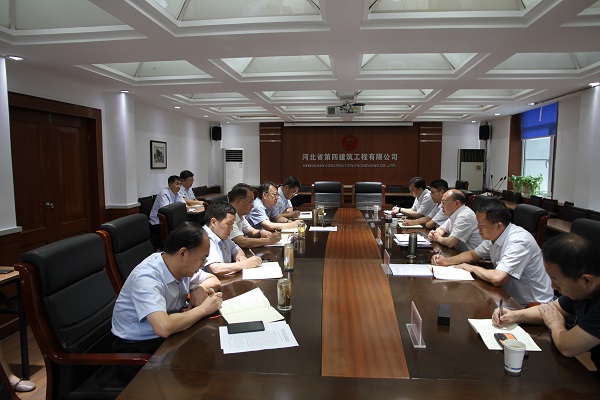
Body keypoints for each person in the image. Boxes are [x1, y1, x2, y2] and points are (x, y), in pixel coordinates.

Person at [492, 234, 600, 372]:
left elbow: (568, 347)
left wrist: (556, 324)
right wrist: (514, 315)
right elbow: (552, 309)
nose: (553, 286)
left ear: (587, 280)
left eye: (556, 280)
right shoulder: (580, 290)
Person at [112, 221, 222, 357]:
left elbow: (213, 280)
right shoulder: (147, 277)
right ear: (183, 253)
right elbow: (163, 327)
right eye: (202, 259)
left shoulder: (178, 265)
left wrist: (196, 288)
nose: (203, 265)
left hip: (167, 336)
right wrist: (204, 309)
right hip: (137, 348)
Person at [432, 197, 553, 306]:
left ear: (498, 226)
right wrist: (447, 261)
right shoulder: (494, 235)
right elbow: (473, 255)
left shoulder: (518, 241)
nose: (477, 228)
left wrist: (471, 268)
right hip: (507, 297)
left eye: (481, 225)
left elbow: (498, 278)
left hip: (533, 305)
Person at [201, 201, 262, 276]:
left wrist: (241, 258)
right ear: (214, 222)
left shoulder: (221, 235)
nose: (231, 228)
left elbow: (237, 249)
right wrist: (244, 264)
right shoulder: (204, 238)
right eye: (229, 224)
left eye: (232, 224)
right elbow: (215, 269)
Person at [228, 183, 282, 248]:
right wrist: (269, 240)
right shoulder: (228, 216)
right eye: (250, 202)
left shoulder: (240, 215)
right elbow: (242, 242)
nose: (253, 206)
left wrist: (261, 232)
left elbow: (252, 232)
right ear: (239, 202)